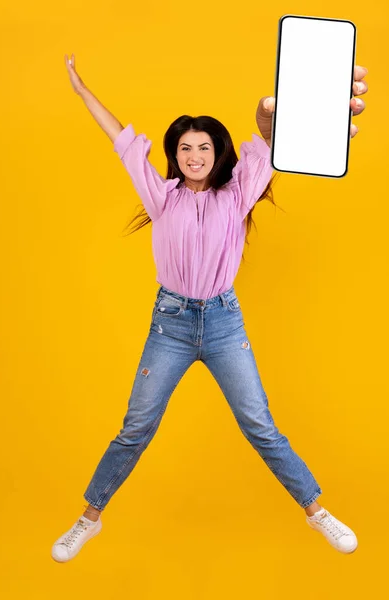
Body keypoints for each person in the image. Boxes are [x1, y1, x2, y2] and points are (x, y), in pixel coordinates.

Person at [52, 54, 368, 563]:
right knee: (136, 426)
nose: (194, 155)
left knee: (259, 424)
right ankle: (88, 520)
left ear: (216, 152)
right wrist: (82, 89)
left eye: (203, 147)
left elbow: (267, 134)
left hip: (223, 322)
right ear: (174, 156)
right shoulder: (161, 196)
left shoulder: (238, 193)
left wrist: (286, 109)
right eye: (184, 148)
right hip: (171, 325)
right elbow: (119, 140)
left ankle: (316, 511)